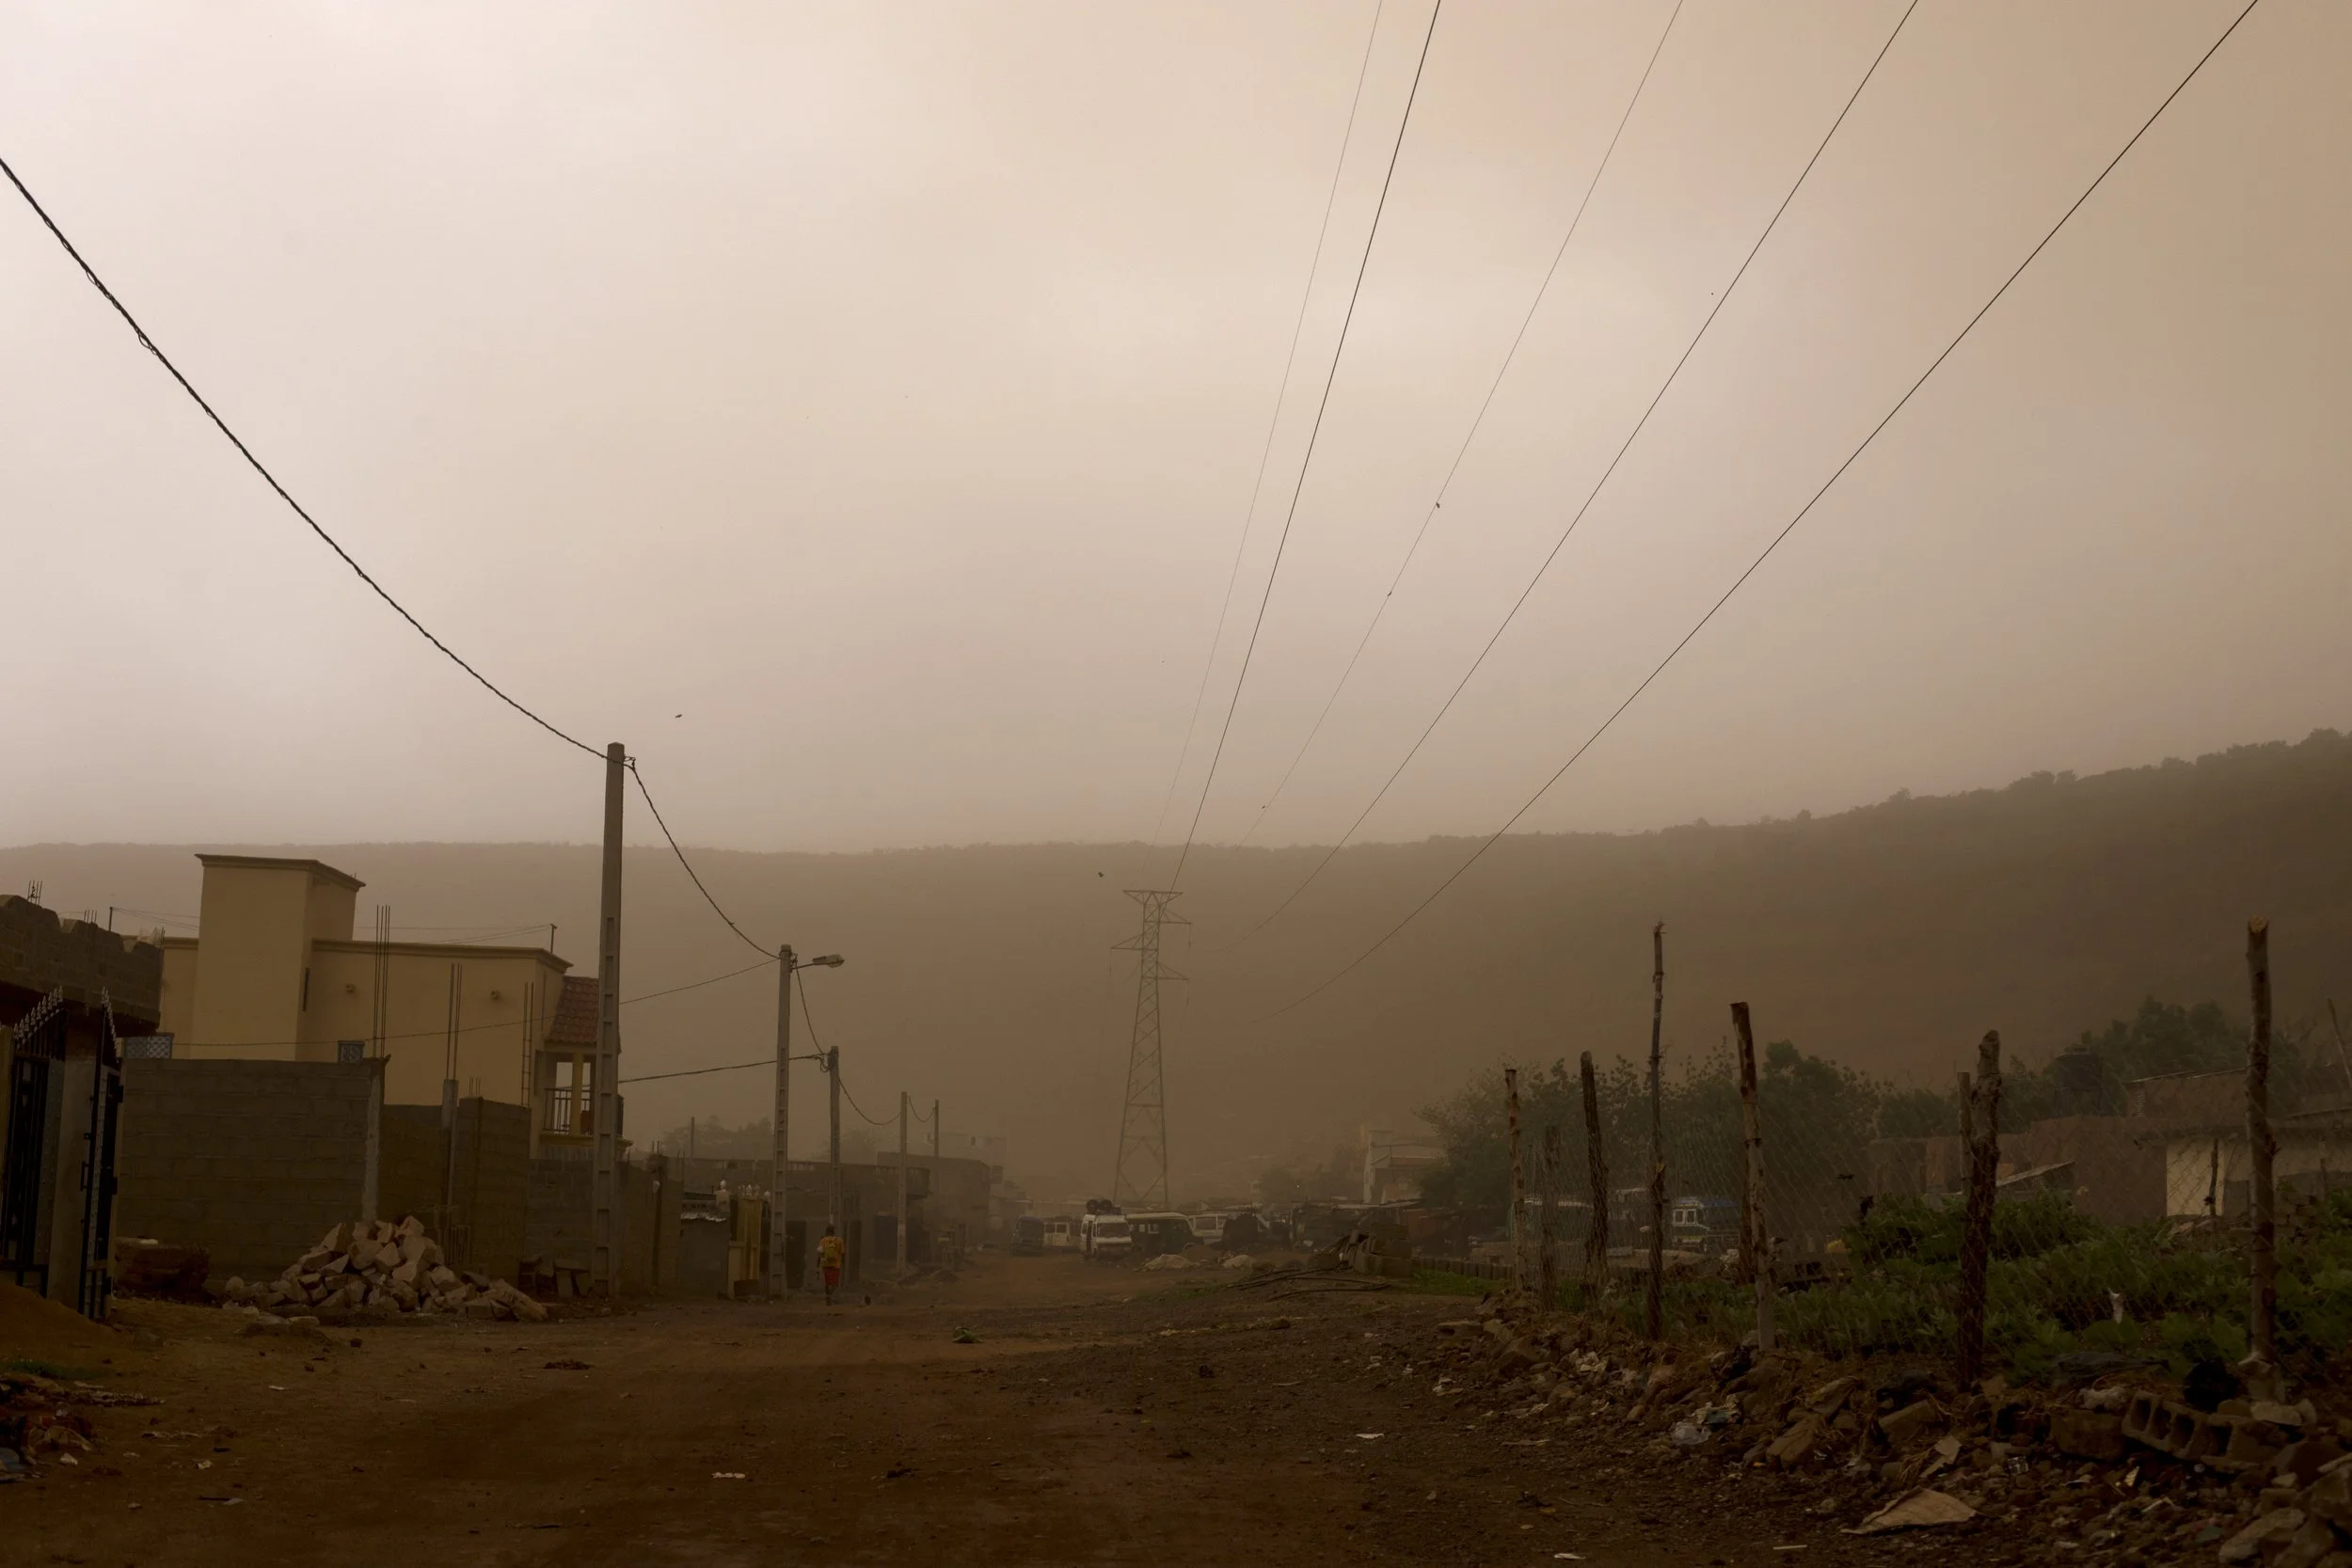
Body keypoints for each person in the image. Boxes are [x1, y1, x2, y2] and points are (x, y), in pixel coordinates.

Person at [818, 1223, 845, 1306]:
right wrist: (842, 1262)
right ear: (833, 1232)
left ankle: (827, 1298)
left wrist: (818, 1265)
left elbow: (819, 1254)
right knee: (835, 1284)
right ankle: (829, 1296)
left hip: (825, 1265)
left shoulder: (823, 1241)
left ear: (826, 1231)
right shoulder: (839, 1240)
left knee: (827, 1283)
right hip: (836, 1265)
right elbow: (842, 1253)